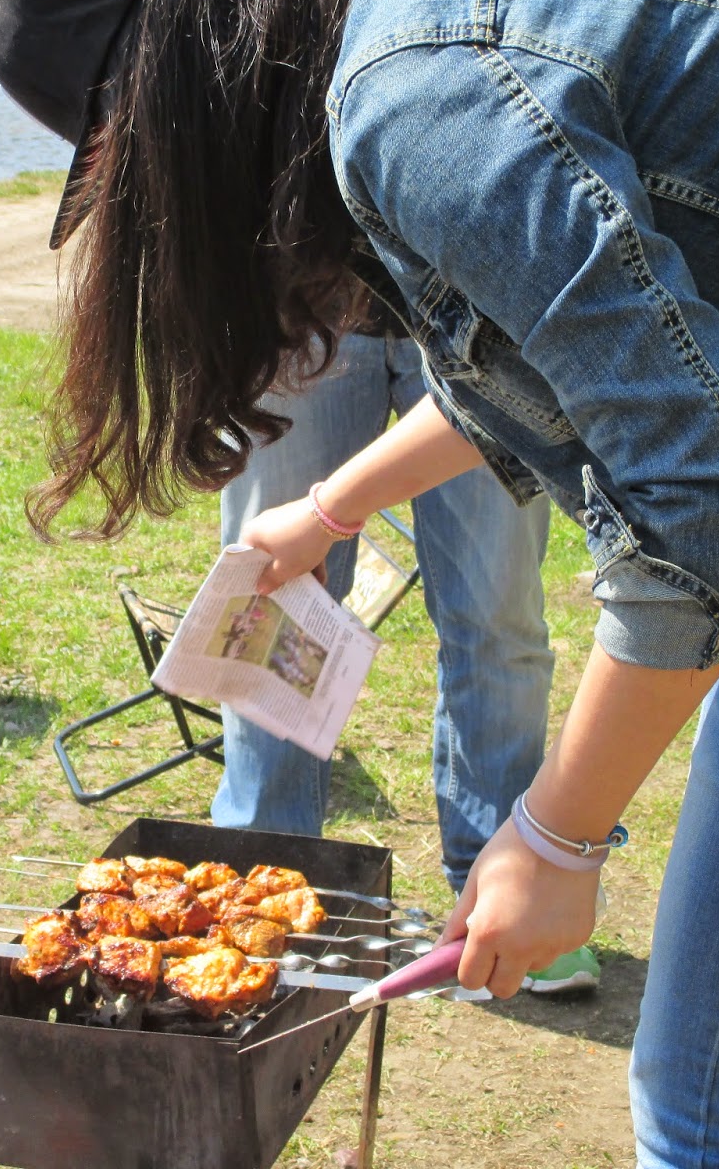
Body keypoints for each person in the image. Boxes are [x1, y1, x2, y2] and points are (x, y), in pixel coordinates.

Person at [0, 0, 719, 1163]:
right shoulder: (415, 35)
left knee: (712, 1111)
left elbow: (699, 491)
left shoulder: (414, 98)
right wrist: (330, 512)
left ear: (180, 91)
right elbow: (565, 344)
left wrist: (555, 837)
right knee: (703, 1087)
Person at [213, 328, 597, 990]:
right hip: (297, 305)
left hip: (478, 321)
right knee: (270, 599)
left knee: (497, 620)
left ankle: (505, 904)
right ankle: (262, 875)